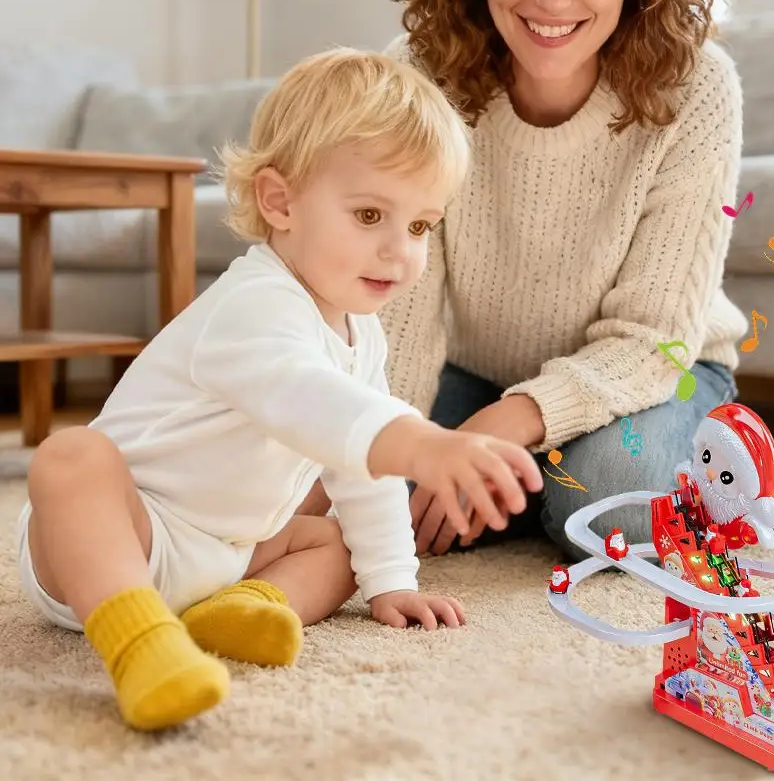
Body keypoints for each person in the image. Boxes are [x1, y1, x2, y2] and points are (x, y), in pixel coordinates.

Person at [17, 48, 543, 732]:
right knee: (70, 457)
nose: (399, 250)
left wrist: (392, 579)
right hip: (122, 535)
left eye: (419, 225)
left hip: (231, 554)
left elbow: (359, 467)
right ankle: (140, 643)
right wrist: (421, 443)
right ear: (280, 200)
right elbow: (309, 400)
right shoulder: (254, 303)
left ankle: (245, 609)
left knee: (335, 544)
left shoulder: (361, 331)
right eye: (368, 215)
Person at [308, 0, 747, 559]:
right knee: (373, 491)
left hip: (652, 374)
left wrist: (495, 433)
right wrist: (404, 456)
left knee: (618, 502)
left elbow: (654, 342)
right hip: (472, 374)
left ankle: (698, 458)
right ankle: (530, 486)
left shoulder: (697, 88)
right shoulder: (420, 76)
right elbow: (397, 319)